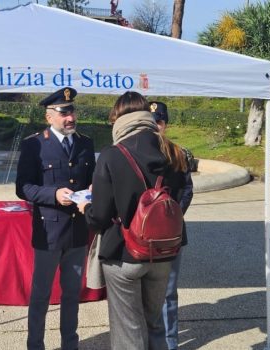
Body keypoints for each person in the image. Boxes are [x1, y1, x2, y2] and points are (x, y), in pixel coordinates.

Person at [77, 91, 187, 350]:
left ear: (119, 118)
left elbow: (100, 216)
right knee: (154, 325)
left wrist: (86, 207)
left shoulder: (112, 155)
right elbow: (180, 199)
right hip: (163, 252)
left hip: (125, 253)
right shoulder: (173, 151)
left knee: (129, 332)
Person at [15, 87, 96, 350]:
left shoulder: (85, 143)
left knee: (72, 294)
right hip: (49, 232)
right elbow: (23, 187)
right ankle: (35, 345)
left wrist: (95, 189)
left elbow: (92, 179)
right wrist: (52, 194)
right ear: (49, 116)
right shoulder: (34, 144)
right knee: (41, 295)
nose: (70, 117)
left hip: (77, 231)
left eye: (72, 111)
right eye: (63, 113)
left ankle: (69, 344)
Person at [148, 101, 194, 350]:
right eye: (151, 121)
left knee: (168, 293)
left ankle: (170, 342)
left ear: (165, 124)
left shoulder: (178, 153)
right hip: (142, 235)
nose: (156, 126)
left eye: (159, 122)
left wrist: (174, 215)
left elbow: (187, 188)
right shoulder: (136, 151)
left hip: (172, 235)